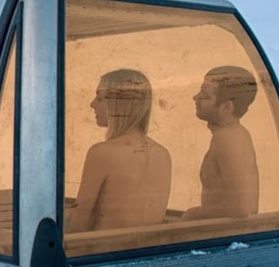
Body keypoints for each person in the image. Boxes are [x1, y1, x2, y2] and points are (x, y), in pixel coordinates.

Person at [68, 69, 171, 232]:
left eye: (100, 98)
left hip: (105, 251)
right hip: (149, 251)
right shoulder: (163, 154)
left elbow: (81, 218)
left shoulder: (102, 153)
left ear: (118, 103)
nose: (92, 104)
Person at [183, 65, 259, 220]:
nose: (196, 98)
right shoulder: (237, 134)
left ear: (226, 107)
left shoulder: (227, 139)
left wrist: (192, 215)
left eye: (205, 94)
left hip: (225, 238)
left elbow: (242, 209)